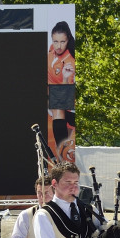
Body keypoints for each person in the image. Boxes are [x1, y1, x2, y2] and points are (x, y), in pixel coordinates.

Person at [47, 21, 77, 164]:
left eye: (62, 42)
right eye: (56, 41)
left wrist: (65, 77)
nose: (58, 46)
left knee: (59, 105)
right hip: (53, 96)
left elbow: (66, 93)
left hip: (64, 98)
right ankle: (62, 156)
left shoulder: (70, 61)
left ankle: (62, 158)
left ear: (68, 40)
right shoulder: (51, 50)